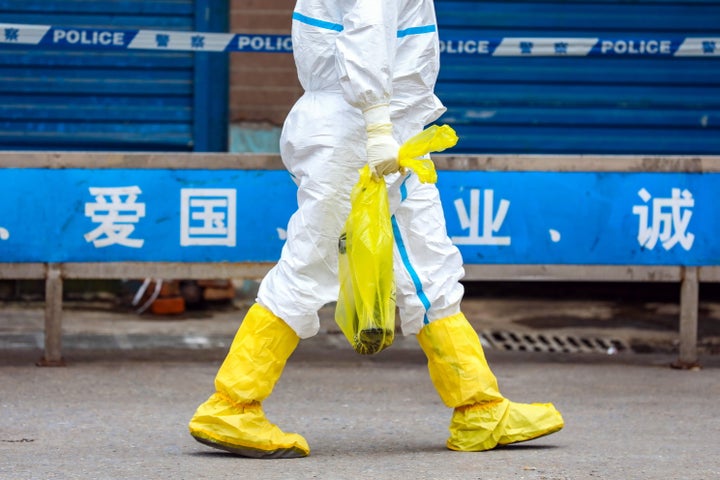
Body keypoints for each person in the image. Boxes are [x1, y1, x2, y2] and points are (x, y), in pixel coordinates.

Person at [188, 0, 564, 458]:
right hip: (363, 135)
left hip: (368, 130)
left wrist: (382, 127)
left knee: (426, 265)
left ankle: (478, 406)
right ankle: (232, 403)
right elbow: (368, 32)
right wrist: (378, 126)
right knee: (312, 265)